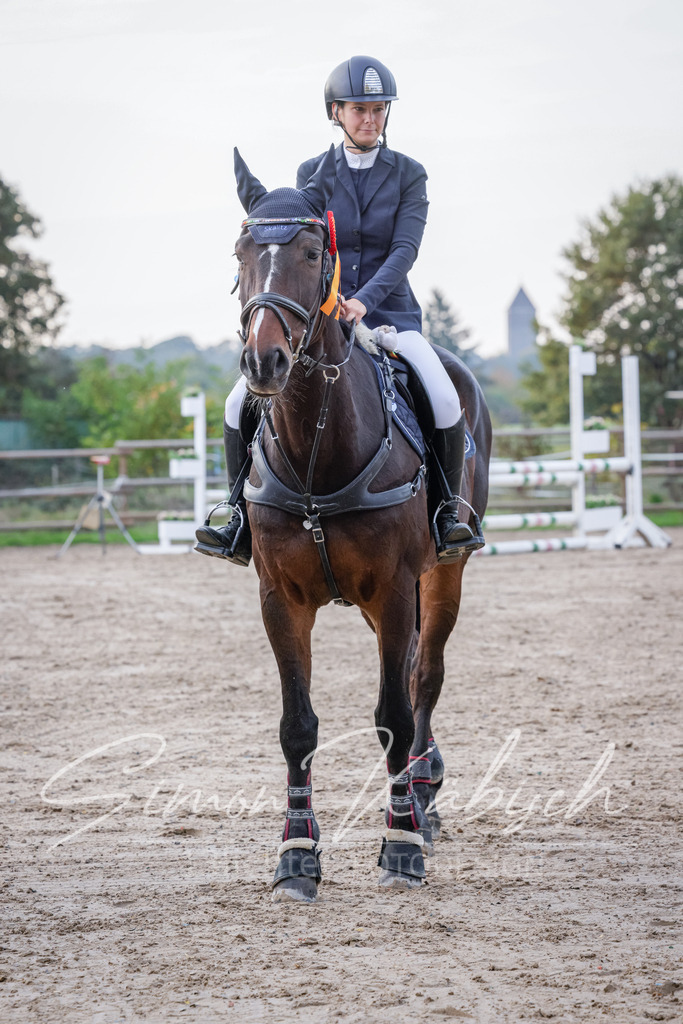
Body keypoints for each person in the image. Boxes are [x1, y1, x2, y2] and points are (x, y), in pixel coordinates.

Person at [195, 55, 482, 566]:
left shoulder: (409, 175)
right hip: (322, 321)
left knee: (442, 392)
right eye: (358, 109)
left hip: (390, 316)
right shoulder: (312, 173)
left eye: (377, 110)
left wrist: (364, 300)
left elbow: (404, 250)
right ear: (336, 112)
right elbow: (305, 252)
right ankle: (238, 518)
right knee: (236, 401)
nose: (369, 119)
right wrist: (328, 305)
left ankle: (445, 516)